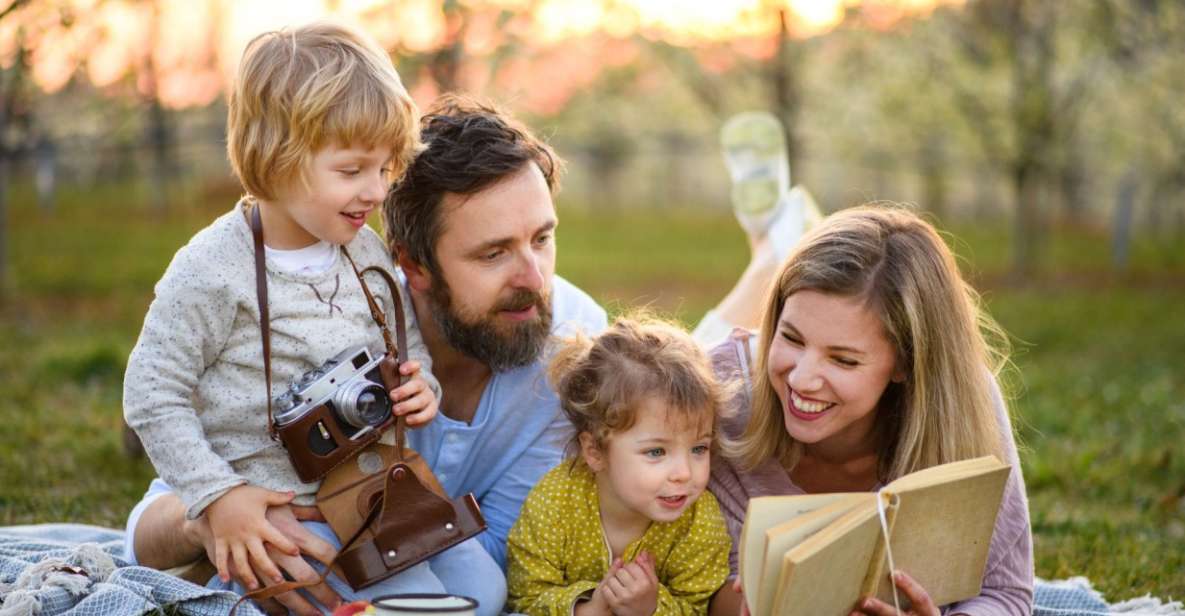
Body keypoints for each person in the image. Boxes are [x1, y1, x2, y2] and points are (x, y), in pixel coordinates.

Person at [125, 94, 608, 614]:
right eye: (493, 253)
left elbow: (503, 566)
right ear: (413, 267)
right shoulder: (333, 324)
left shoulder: (575, 350)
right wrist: (218, 518)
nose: (535, 279)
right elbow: (144, 536)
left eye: (542, 238)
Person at [120, 22, 503, 614]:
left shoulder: (364, 251)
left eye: (385, 169)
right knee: (406, 604)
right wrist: (217, 497)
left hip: (372, 495)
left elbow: (402, 347)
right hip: (279, 511)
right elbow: (151, 392)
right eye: (352, 171)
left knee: (484, 591)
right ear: (276, 156)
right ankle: (231, 574)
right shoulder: (213, 270)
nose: (375, 192)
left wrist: (418, 385)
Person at [707, 205, 1034, 616]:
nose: (802, 379)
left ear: (905, 362)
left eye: (842, 360)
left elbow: (1005, 594)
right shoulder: (720, 392)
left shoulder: (964, 405)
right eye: (790, 338)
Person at [507, 315, 732, 616]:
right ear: (595, 451)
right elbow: (524, 597)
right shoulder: (554, 504)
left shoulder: (698, 522)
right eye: (656, 452)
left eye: (698, 448)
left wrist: (651, 608)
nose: (684, 473)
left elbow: (698, 606)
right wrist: (589, 609)